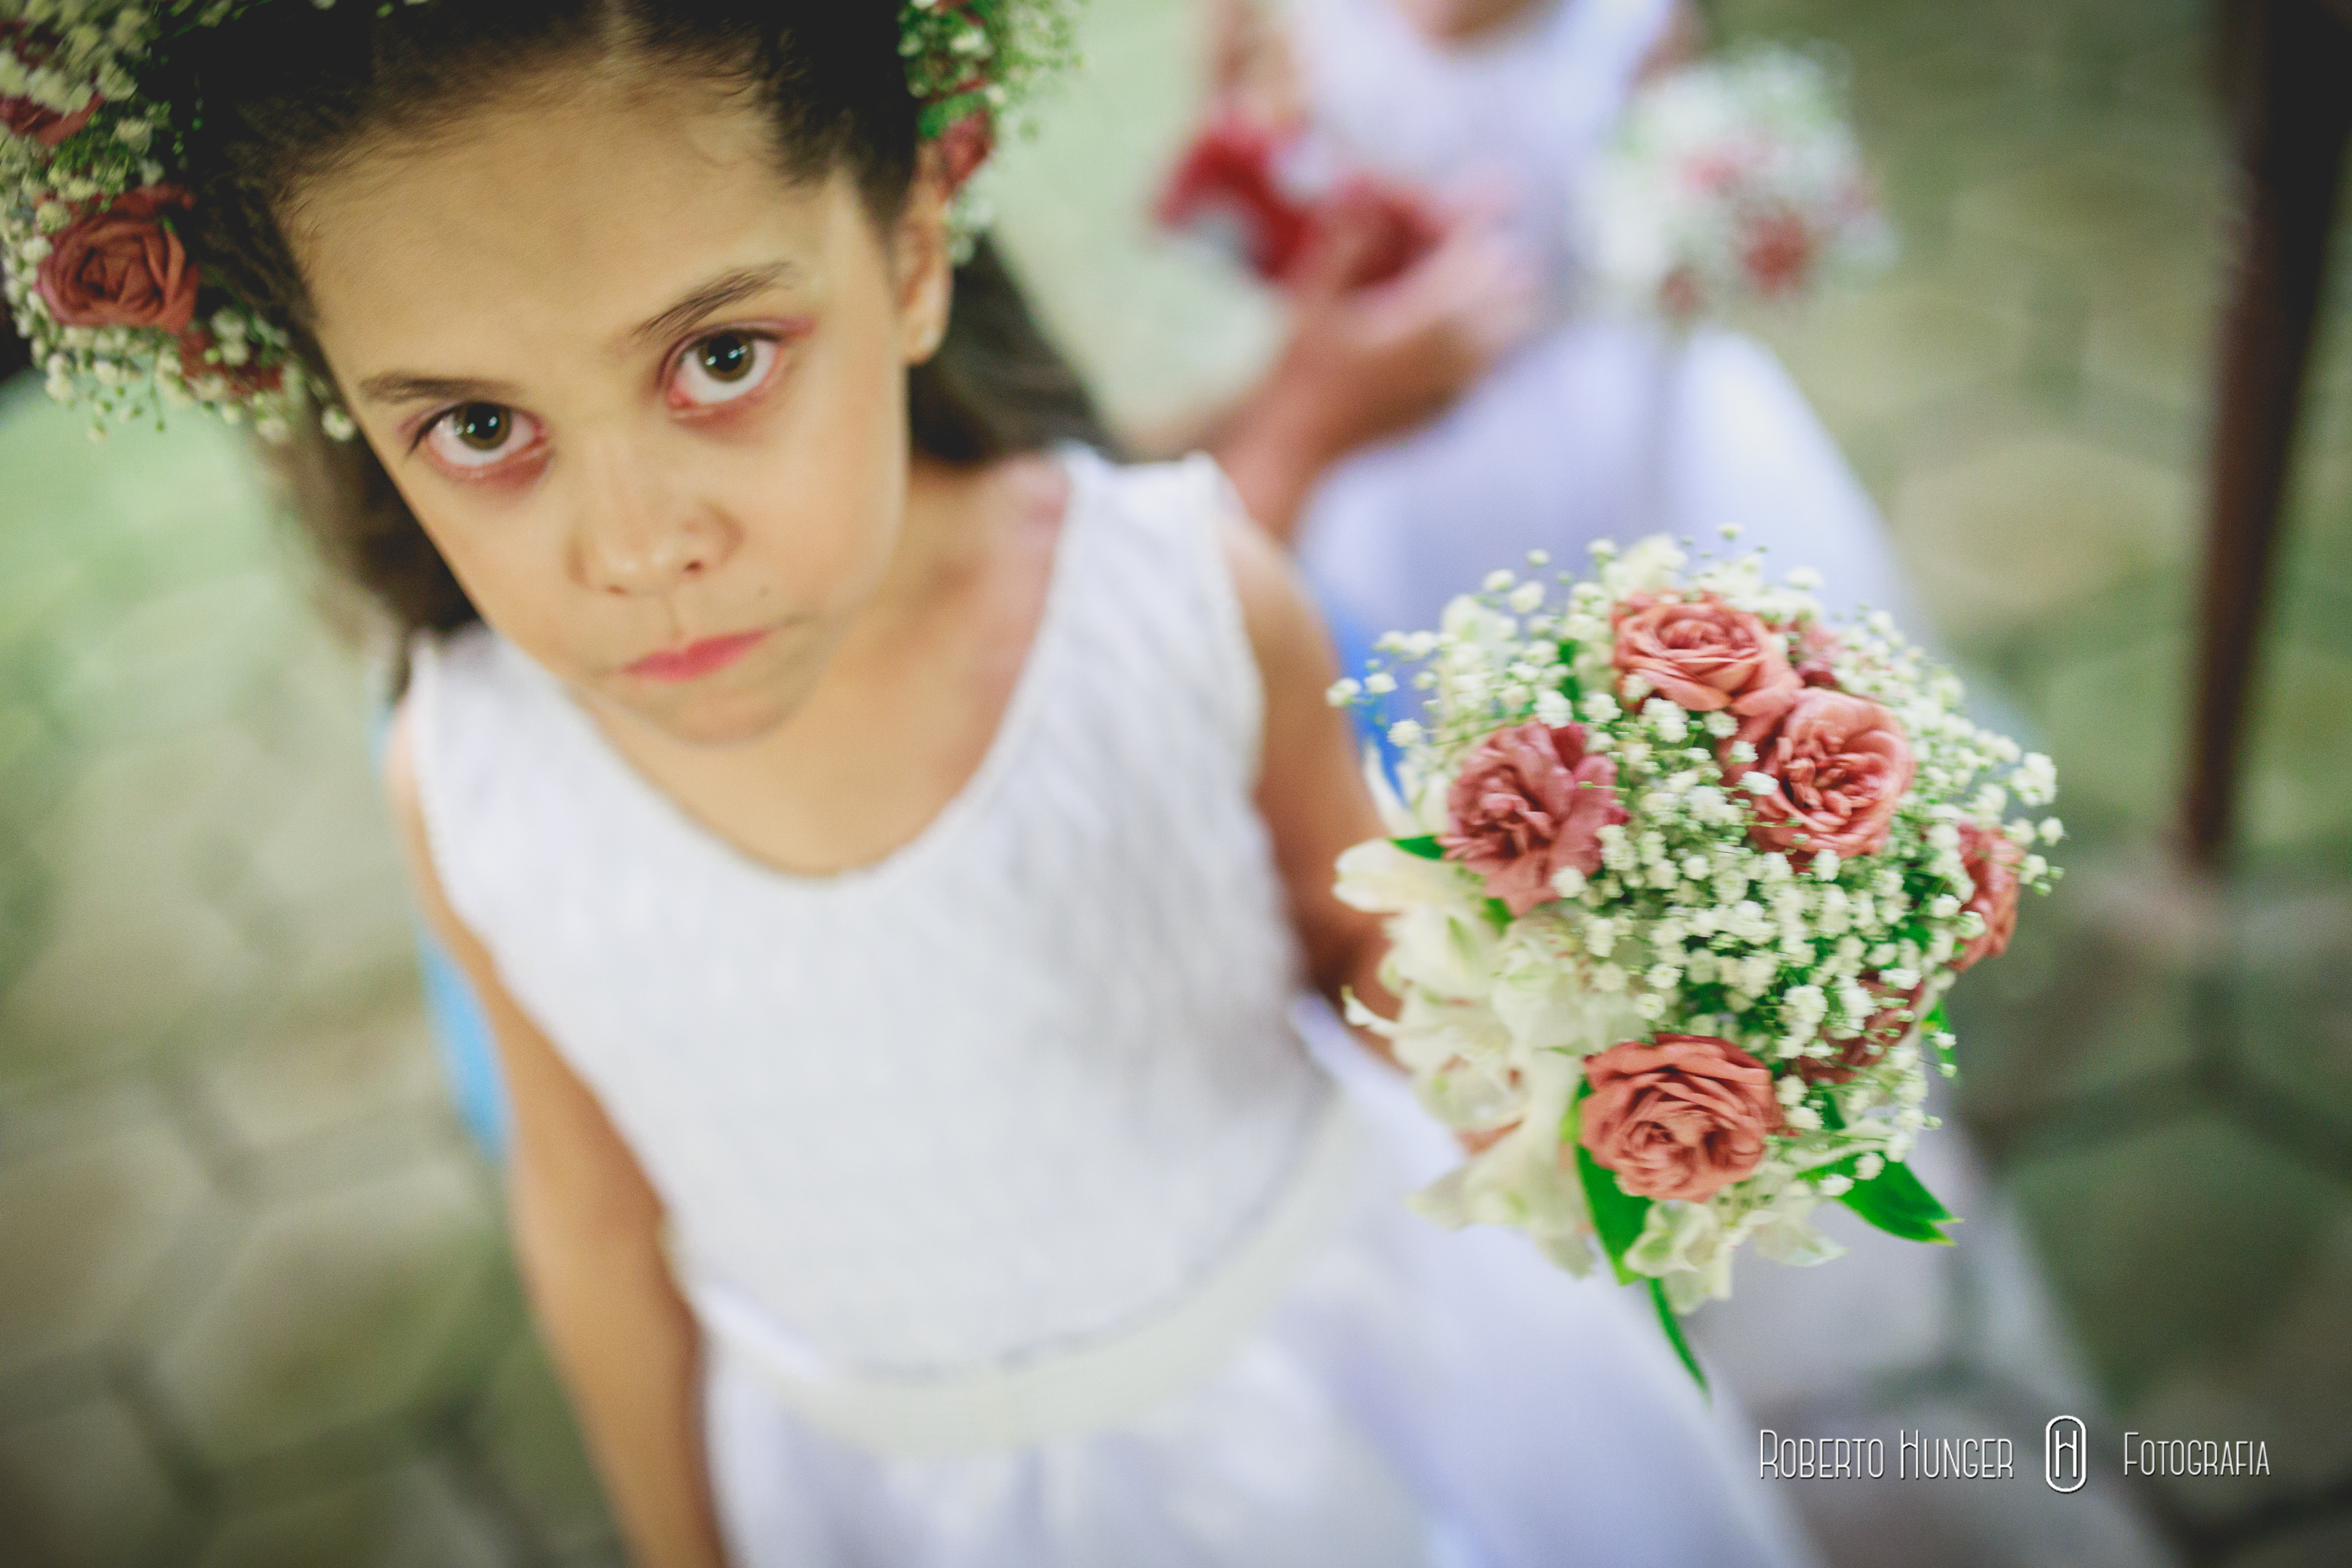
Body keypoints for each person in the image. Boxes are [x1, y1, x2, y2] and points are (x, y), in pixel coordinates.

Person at [118, 3, 1816, 1564]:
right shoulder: (465, 774)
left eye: (721, 358)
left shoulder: (1173, 599)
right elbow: (589, 1226)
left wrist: (1598, 1030)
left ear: (914, 252)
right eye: (481, 429)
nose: (638, 548)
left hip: (1326, 1404)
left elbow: (1372, 946)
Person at [1194, 0, 1915, 694]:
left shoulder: (1637, 20)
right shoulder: (1286, 19)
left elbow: (1672, 182)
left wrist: (1719, 227)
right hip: (1393, 412)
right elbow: (1244, 198)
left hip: (1599, 393)